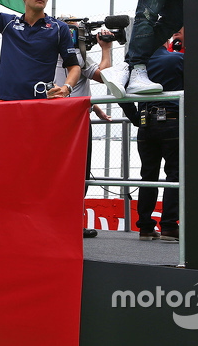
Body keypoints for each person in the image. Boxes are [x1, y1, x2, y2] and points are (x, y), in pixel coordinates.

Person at [55, 20, 114, 238]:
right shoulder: (77, 57)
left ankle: (63, 223)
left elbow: (77, 85)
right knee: (77, 173)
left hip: (57, 119)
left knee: (68, 173)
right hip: (73, 122)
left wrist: (94, 106)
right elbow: (104, 74)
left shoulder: (47, 54)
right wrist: (106, 50)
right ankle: (69, 225)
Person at [123, 40, 184, 241]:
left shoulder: (135, 66)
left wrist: (135, 118)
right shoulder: (177, 59)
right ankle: (168, 226)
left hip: (145, 124)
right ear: (166, 40)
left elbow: (120, 92)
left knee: (148, 175)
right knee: (174, 175)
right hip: (172, 121)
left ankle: (145, 227)